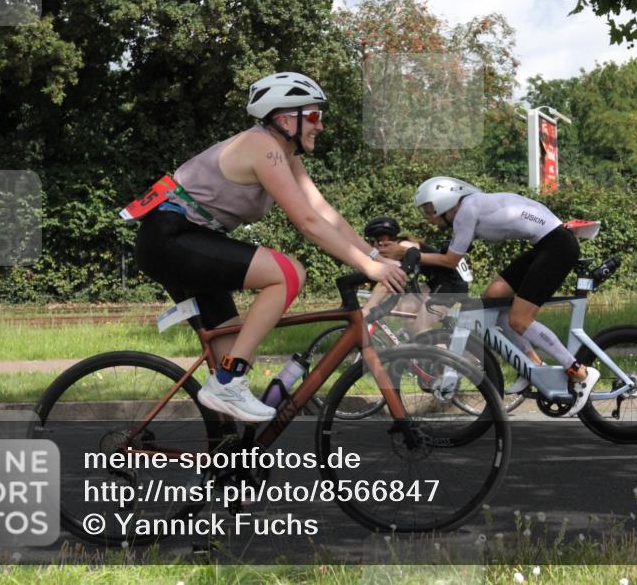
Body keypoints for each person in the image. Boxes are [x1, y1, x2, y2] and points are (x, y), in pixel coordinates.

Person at [133, 72, 406, 423]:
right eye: (313, 116)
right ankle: (228, 380)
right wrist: (370, 269)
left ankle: (225, 458)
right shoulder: (262, 147)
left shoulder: (284, 155)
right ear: (284, 118)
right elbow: (306, 222)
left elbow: (324, 213)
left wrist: (372, 257)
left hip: (189, 240)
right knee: (289, 273)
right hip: (170, 237)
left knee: (236, 352)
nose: (319, 126)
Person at [380, 176, 600, 417]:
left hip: (557, 246)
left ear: (444, 202)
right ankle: (532, 367)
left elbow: (451, 261)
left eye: (429, 210)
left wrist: (407, 252)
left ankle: (579, 372)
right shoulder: (470, 207)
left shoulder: (465, 212)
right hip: (547, 243)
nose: (428, 217)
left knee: (519, 320)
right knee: (492, 298)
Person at [360, 216, 471, 335]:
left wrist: (367, 309)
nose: (372, 246)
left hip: (450, 285)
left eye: (372, 242)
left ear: (383, 239)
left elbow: (387, 282)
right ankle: (415, 345)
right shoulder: (398, 247)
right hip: (437, 282)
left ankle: (436, 350)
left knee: (422, 329)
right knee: (406, 308)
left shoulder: (404, 247)